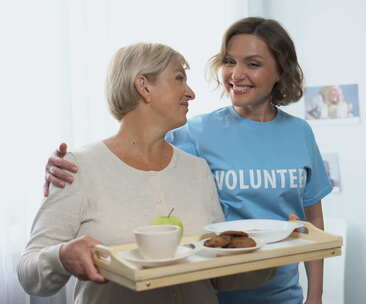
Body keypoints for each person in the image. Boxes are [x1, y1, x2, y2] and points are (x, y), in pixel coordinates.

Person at [44, 17, 332, 304]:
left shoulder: (300, 133)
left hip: (283, 291)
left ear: (280, 71)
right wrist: (66, 167)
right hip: (217, 290)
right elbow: (133, 151)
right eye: (229, 61)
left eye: (253, 64)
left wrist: (315, 295)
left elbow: (312, 218)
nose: (236, 73)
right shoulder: (194, 132)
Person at [19, 42, 273, 304]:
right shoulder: (77, 168)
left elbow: (218, 272)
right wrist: (61, 257)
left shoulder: (197, 170)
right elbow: (29, 273)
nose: (191, 93)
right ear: (144, 86)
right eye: (179, 78)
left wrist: (275, 249)